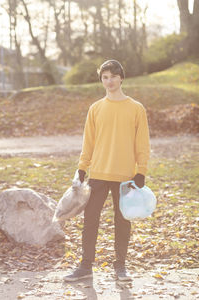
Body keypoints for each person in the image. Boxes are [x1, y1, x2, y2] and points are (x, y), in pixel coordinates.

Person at [64, 59, 150, 282]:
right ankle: (85, 267)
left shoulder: (136, 108)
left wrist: (141, 171)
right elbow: (88, 143)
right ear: (101, 80)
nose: (109, 81)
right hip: (98, 174)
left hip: (125, 178)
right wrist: (82, 169)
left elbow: (142, 143)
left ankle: (120, 266)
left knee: (122, 222)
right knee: (90, 220)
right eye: (105, 77)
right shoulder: (95, 109)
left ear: (121, 77)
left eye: (113, 76)